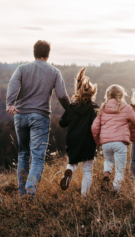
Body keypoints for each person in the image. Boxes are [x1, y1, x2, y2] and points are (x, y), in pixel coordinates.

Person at [6, 40, 70, 197]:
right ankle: (30, 190)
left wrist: (10, 103)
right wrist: (71, 110)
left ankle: (23, 194)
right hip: (39, 117)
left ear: (34, 53)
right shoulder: (54, 72)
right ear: (48, 54)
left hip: (20, 115)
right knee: (38, 157)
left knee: (23, 154)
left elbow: (13, 84)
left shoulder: (22, 68)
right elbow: (61, 95)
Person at [91, 85, 135, 192]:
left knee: (109, 160)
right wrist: (129, 125)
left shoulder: (103, 109)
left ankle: (106, 173)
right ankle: (115, 190)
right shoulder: (126, 107)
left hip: (105, 143)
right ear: (122, 95)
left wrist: (98, 142)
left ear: (108, 95)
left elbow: (94, 128)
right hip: (120, 142)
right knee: (120, 170)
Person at [58, 67, 99, 196]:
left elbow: (62, 123)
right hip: (88, 141)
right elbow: (96, 125)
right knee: (87, 169)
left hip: (73, 140)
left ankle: (68, 172)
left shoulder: (71, 108)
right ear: (92, 93)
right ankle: (84, 196)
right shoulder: (94, 109)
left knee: (73, 162)